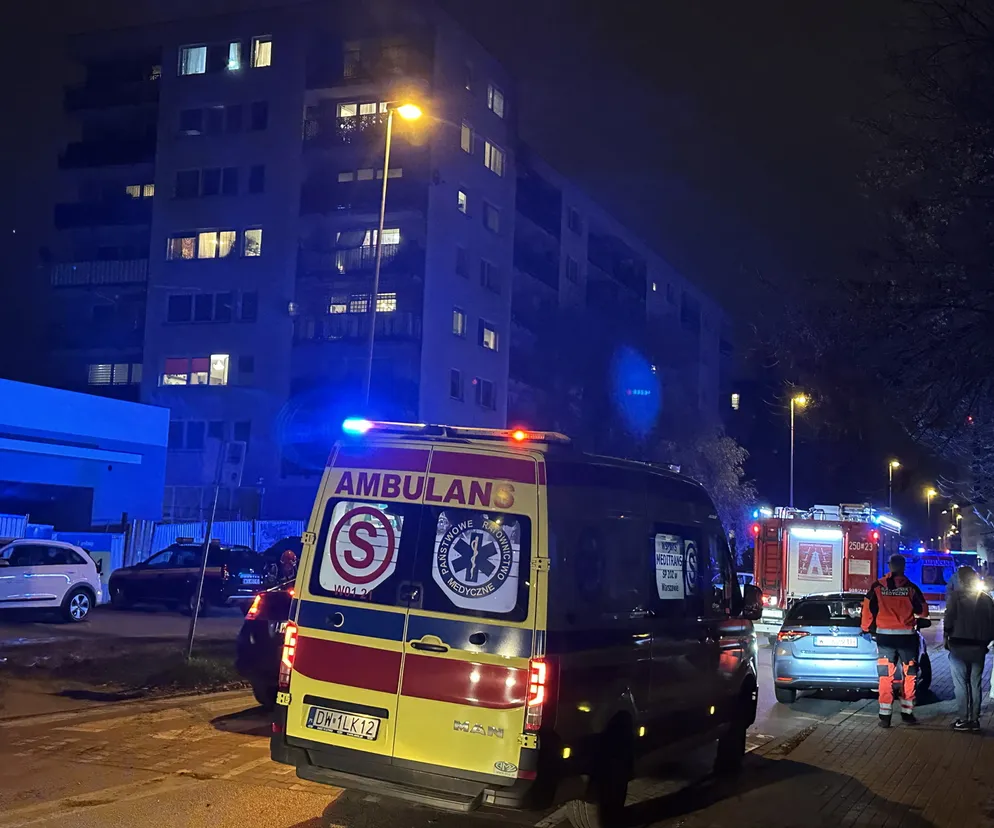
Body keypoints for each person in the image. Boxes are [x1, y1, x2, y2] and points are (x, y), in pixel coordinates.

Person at [861, 554, 929, 727]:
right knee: (910, 674)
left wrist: (866, 628)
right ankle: (907, 713)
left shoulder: (877, 587)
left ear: (890, 566)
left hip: (885, 639)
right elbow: (923, 611)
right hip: (907, 639)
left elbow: (867, 610)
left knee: (885, 676)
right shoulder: (911, 588)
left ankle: (885, 716)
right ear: (904, 566)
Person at [944, 566, 994, 731]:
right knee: (975, 683)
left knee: (960, 683)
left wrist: (946, 636)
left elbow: (949, 619)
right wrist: (986, 641)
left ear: (960, 579)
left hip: (958, 645)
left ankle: (963, 718)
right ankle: (974, 719)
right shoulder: (986, 599)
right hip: (978, 646)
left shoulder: (956, 597)